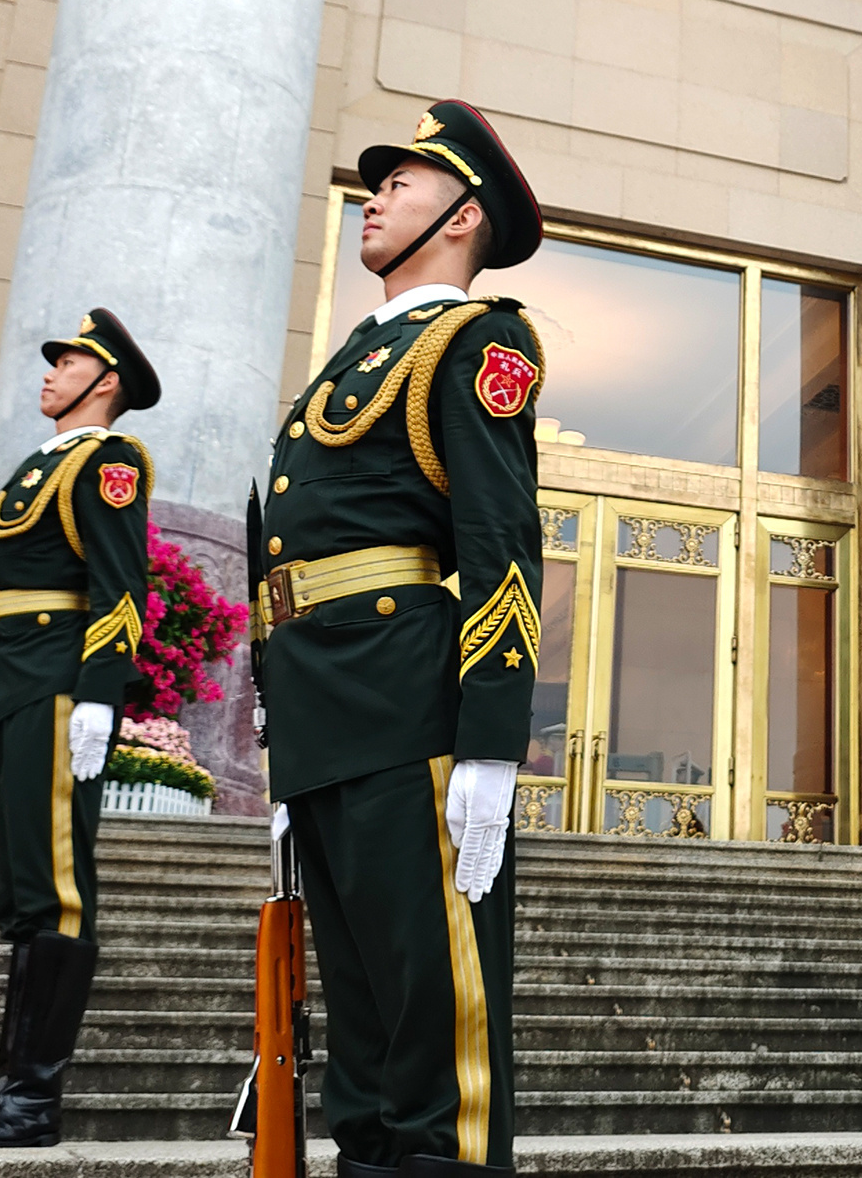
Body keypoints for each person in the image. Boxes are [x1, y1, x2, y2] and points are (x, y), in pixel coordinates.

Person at [256, 101, 545, 1178]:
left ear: (463, 215)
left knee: (437, 1026)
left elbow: (500, 543)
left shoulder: (475, 342)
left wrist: (489, 742)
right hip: (327, 712)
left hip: (405, 704)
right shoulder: (358, 354)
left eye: (403, 182)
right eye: (374, 183)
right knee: (364, 1037)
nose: (372, 197)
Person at [0, 311, 157, 1148]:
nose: (50, 373)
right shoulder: (36, 465)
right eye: (53, 362)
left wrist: (98, 691)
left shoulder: (109, 460)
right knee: (18, 887)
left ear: (108, 381)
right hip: (16, 684)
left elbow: (121, 579)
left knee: (54, 886)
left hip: (57, 685)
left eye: (71, 362)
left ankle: (31, 1100)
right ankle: (8, 1088)